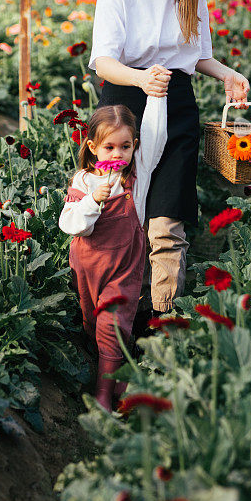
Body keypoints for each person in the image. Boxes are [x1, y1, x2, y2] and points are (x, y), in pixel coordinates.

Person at [88, 0, 250, 319]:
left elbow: (195, 56)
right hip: (125, 103)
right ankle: (119, 308)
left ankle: (161, 317)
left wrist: (227, 74)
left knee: (168, 213)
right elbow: (102, 60)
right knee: (121, 208)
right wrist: (140, 79)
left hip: (175, 101)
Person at [59, 94, 167, 411]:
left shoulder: (137, 176)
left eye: (125, 146)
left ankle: (103, 396)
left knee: (111, 324)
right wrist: (93, 201)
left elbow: (156, 135)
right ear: (93, 147)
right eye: (109, 147)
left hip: (124, 268)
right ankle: (116, 372)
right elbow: (72, 225)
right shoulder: (83, 181)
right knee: (94, 325)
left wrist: (157, 95)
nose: (118, 154)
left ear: (135, 146)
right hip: (88, 265)